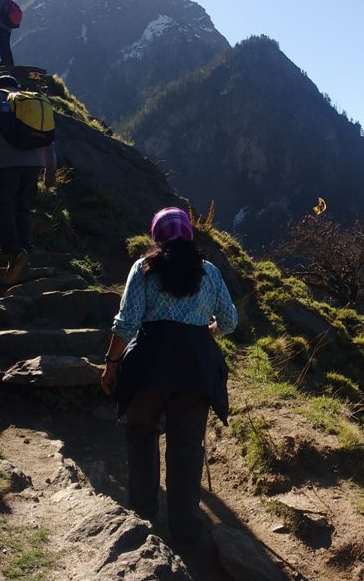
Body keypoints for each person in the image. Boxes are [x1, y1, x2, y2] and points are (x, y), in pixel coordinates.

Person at [101, 208, 237, 546]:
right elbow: (231, 322)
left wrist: (111, 362)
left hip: (149, 364)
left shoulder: (143, 268)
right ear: (189, 234)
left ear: (156, 236)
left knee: (142, 435)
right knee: (187, 448)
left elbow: (127, 321)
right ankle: (187, 531)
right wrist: (208, 329)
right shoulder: (209, 273)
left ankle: (143, 517)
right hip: (195, 370)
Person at [0, 74, 56, 285]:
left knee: (3, 208)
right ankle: (24, 250)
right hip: (34, 164)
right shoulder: (34, 103)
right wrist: (50, 172)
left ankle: (15, 252)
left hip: (5, 164)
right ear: (17, 87)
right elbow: (49, 141)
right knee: (24, 208)